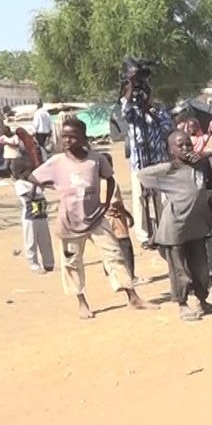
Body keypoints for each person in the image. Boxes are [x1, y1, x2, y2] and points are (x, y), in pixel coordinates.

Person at [32, 117, 149, 320]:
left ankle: (132, 296)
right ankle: (82, 301)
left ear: (83, 138)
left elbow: (109, 179)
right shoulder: (56, 162)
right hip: (69, 224)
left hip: (95, 219)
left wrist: (105, 204)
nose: (67, 141)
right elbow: (34, 178)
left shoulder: (96, 160)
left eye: (72, 137)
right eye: (64, 136)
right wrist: (51, 191)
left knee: (114, 254)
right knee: (72, 263)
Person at [138, 130, 212, 321]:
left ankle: (202, 300)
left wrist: (202, 159)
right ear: (171, 150)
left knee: (201, 267)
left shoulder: (199, 166)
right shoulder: (169, 170)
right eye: (179, 146)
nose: (185, 148)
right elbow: (142, 175)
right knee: (180, 269)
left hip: (197, 225)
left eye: (188, 144)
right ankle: (182, 304)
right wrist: (170, 166)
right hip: (175, 228)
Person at [119, 72, 174, 245]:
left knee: (162, 199)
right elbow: (126, 112)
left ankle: (163, 231)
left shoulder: (159, 111)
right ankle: (143, 236)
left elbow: (166, 130)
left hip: (159, 161)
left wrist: (149, 111)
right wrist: (130, 87)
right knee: (139, 200)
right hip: (139, 163)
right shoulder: (132, 111)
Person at [11, 158, 55, 274]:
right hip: (30, 217)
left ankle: (49, 263)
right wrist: (35, 184)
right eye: (27, 171)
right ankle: (34, 265)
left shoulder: (33, 182)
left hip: (42, 216)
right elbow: (30, 196)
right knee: (31, 241)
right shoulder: (20, 184)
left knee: (45, 241)